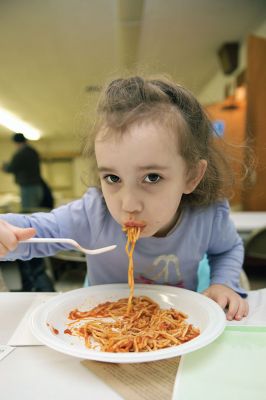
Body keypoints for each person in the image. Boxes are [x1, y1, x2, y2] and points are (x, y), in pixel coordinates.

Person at [0, 76, 248, 319]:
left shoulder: (208, 214)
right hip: (99, 325)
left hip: (175, 324)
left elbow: (228, 249)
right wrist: (6, 232)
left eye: (152, 177)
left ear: (191, 176)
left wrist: (224, 283)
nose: (128, 205)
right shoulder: (93, 212)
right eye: (113, 178)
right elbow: (38, 231)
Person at [1, 133, 54, 292]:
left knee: (27, 230)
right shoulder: (33, 151)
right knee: (32, 222)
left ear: (16, 143)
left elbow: (11, 168)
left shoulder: (21, 153)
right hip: (37, 188)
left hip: (29, 189)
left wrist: (4, 166)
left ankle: (34, 275)